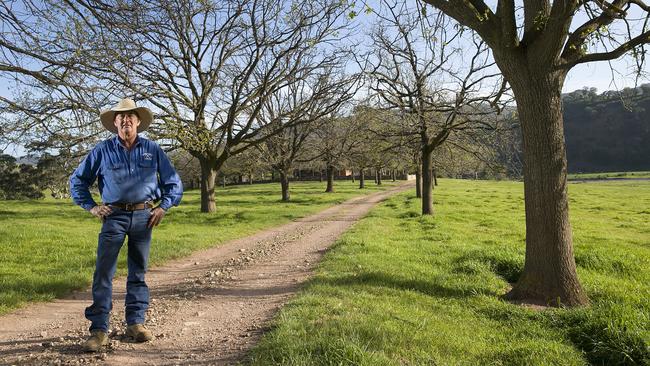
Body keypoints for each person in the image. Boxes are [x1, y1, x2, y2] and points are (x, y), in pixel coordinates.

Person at [70, 98, 183, 352]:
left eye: (130, 116)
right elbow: (77, 181)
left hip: (144, 217)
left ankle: (135, 323)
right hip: (114, 217)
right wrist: (92, 206)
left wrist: (164, 206)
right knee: (104, 273)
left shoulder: (152, 149)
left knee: (138, 272)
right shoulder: (102, 150)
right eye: (120, 117)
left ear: (138, 121)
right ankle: (99, 330)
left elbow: (173, 182)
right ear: (115, 123)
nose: (125, 120)